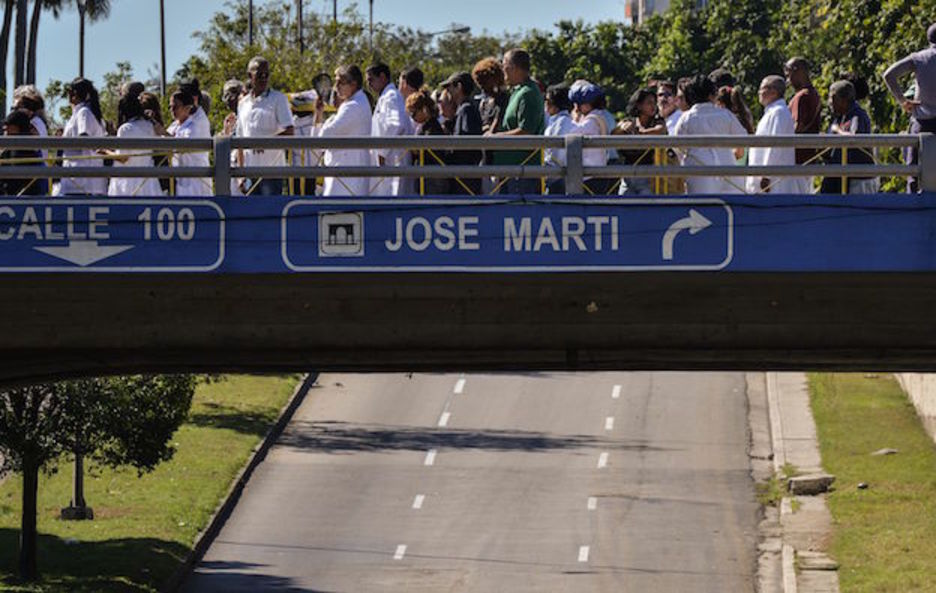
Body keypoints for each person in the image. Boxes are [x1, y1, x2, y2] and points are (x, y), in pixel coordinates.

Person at [673, 75, 748, 195]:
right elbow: (743, 138)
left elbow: (678, 147)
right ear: (711, 94)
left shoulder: (686, 118)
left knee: (702, 209)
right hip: (727, 168)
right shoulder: (725, 114)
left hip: (698, 171)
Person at [884, 23, 936, 192]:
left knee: (913, 174)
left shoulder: (919, 58)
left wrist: (903, 100)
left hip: (922, 122)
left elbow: (889, 75)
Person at [235, 56, 295, 196]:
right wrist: (240, 175)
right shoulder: (243, 104)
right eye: (259, 74)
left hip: (272, 173)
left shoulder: (278, 99)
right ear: (250, 75)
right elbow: (239, 140)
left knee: (270, 214)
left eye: (266, 74)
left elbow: (290, 131)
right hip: (250, 172)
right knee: (252, 216)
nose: (263, 78)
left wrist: (266, 143)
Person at [490, 48, 545, 194]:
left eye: (504, 65)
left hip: (522, 173)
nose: (502, 70)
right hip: (510, 171)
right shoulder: (517, 91)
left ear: (514, 67)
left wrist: (495, 138)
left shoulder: (528, 93)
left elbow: (526, 130)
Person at [314, 65, 372, 196]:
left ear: (353, 84)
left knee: (338, 215)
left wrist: (327, 122)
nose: (336, 86)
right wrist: (319, 116)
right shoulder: (354, 102)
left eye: (340, 82)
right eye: (335, 82)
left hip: (345, 181)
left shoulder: (353, 106)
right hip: (344, 178)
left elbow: (322, 138)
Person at [747, 75, 810, 195]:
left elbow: (775, 145)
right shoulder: (772, 112)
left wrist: (767, 175)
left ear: (773, 92)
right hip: (767, 180)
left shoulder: (779, 113)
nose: (759, 92)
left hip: (773, 182)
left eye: (762, 88)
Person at [821, 80, 878, 195]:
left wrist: (837, 131)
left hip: (858, 179)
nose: (829, 102)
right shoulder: (841, 116)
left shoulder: (858, 115)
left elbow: (855, 138)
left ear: (843, 100)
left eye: (832, 98)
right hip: (840, 177)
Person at [366, 62, 415, 196]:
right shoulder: (385, 97)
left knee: (393, 196)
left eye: (371, 80)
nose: (369, 85)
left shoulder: (391, 96)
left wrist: (382, 153)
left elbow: (395, 124)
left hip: (393, 159)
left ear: (382, 77)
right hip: (389, 160)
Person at [57, 77, 107, 196]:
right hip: (78, 179)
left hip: (82, 181)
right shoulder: (83, 113)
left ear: (73, 94)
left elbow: (84, 138)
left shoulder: (83, 112)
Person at [106, 94, 163, 197]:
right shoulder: (149, 125)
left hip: (127, 181)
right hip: (148, 180)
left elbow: (123, 158)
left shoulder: (125, 128)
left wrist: (105, 151)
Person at [615, 87, 666, 195]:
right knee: (624, 207)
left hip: (648, 176)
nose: (653, 106)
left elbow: (660, 130)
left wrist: (641, 133)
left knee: (647, 208)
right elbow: (614, 133)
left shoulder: (657, 121)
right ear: (639, 105)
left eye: (654, 103)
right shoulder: (629, 121)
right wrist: (623, 127)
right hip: (627, 175)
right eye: (649, 103)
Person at [441, 71, 483, 194]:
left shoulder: (466, 109)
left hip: (465, 176)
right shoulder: (464, 108)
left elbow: (466, 142)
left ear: (459, 87)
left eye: (450, 88)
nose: (448, 92)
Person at [167, 88, 212, 196]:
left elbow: (183, 145)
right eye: (170, 107)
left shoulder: (195, 126)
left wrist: (162, 132)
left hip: (196, 181)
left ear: (187, 108)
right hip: (180, 179)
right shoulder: (174, 125)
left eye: (176, 107)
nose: (172, 110)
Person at [406, 90, 449, 195]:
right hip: (427, 177)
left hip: (433, 179)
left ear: (424, 109)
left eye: (414, 113)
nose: (413, 117)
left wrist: (415, 150)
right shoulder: (426, 126)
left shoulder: (432, 128)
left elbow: (431, 151)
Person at [785, 57, 822, 174]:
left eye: (789, 73)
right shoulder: (813, 93)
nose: (788, 79)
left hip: (797, 161)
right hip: (808, 159)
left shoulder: (802, 96)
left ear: (799, 72)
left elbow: (797, 128)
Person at [0, 109, 44, 196]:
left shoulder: (27, 150)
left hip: (24, 200)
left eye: (8, 128)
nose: (5, 133)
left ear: (18, 128)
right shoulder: (8, 150)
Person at [543, 83, 575, 194]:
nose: (545, 103)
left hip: (556, 176)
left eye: (547, 100)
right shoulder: (555, 119)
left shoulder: (561, 122)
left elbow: (554, 152)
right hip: (555, 174)